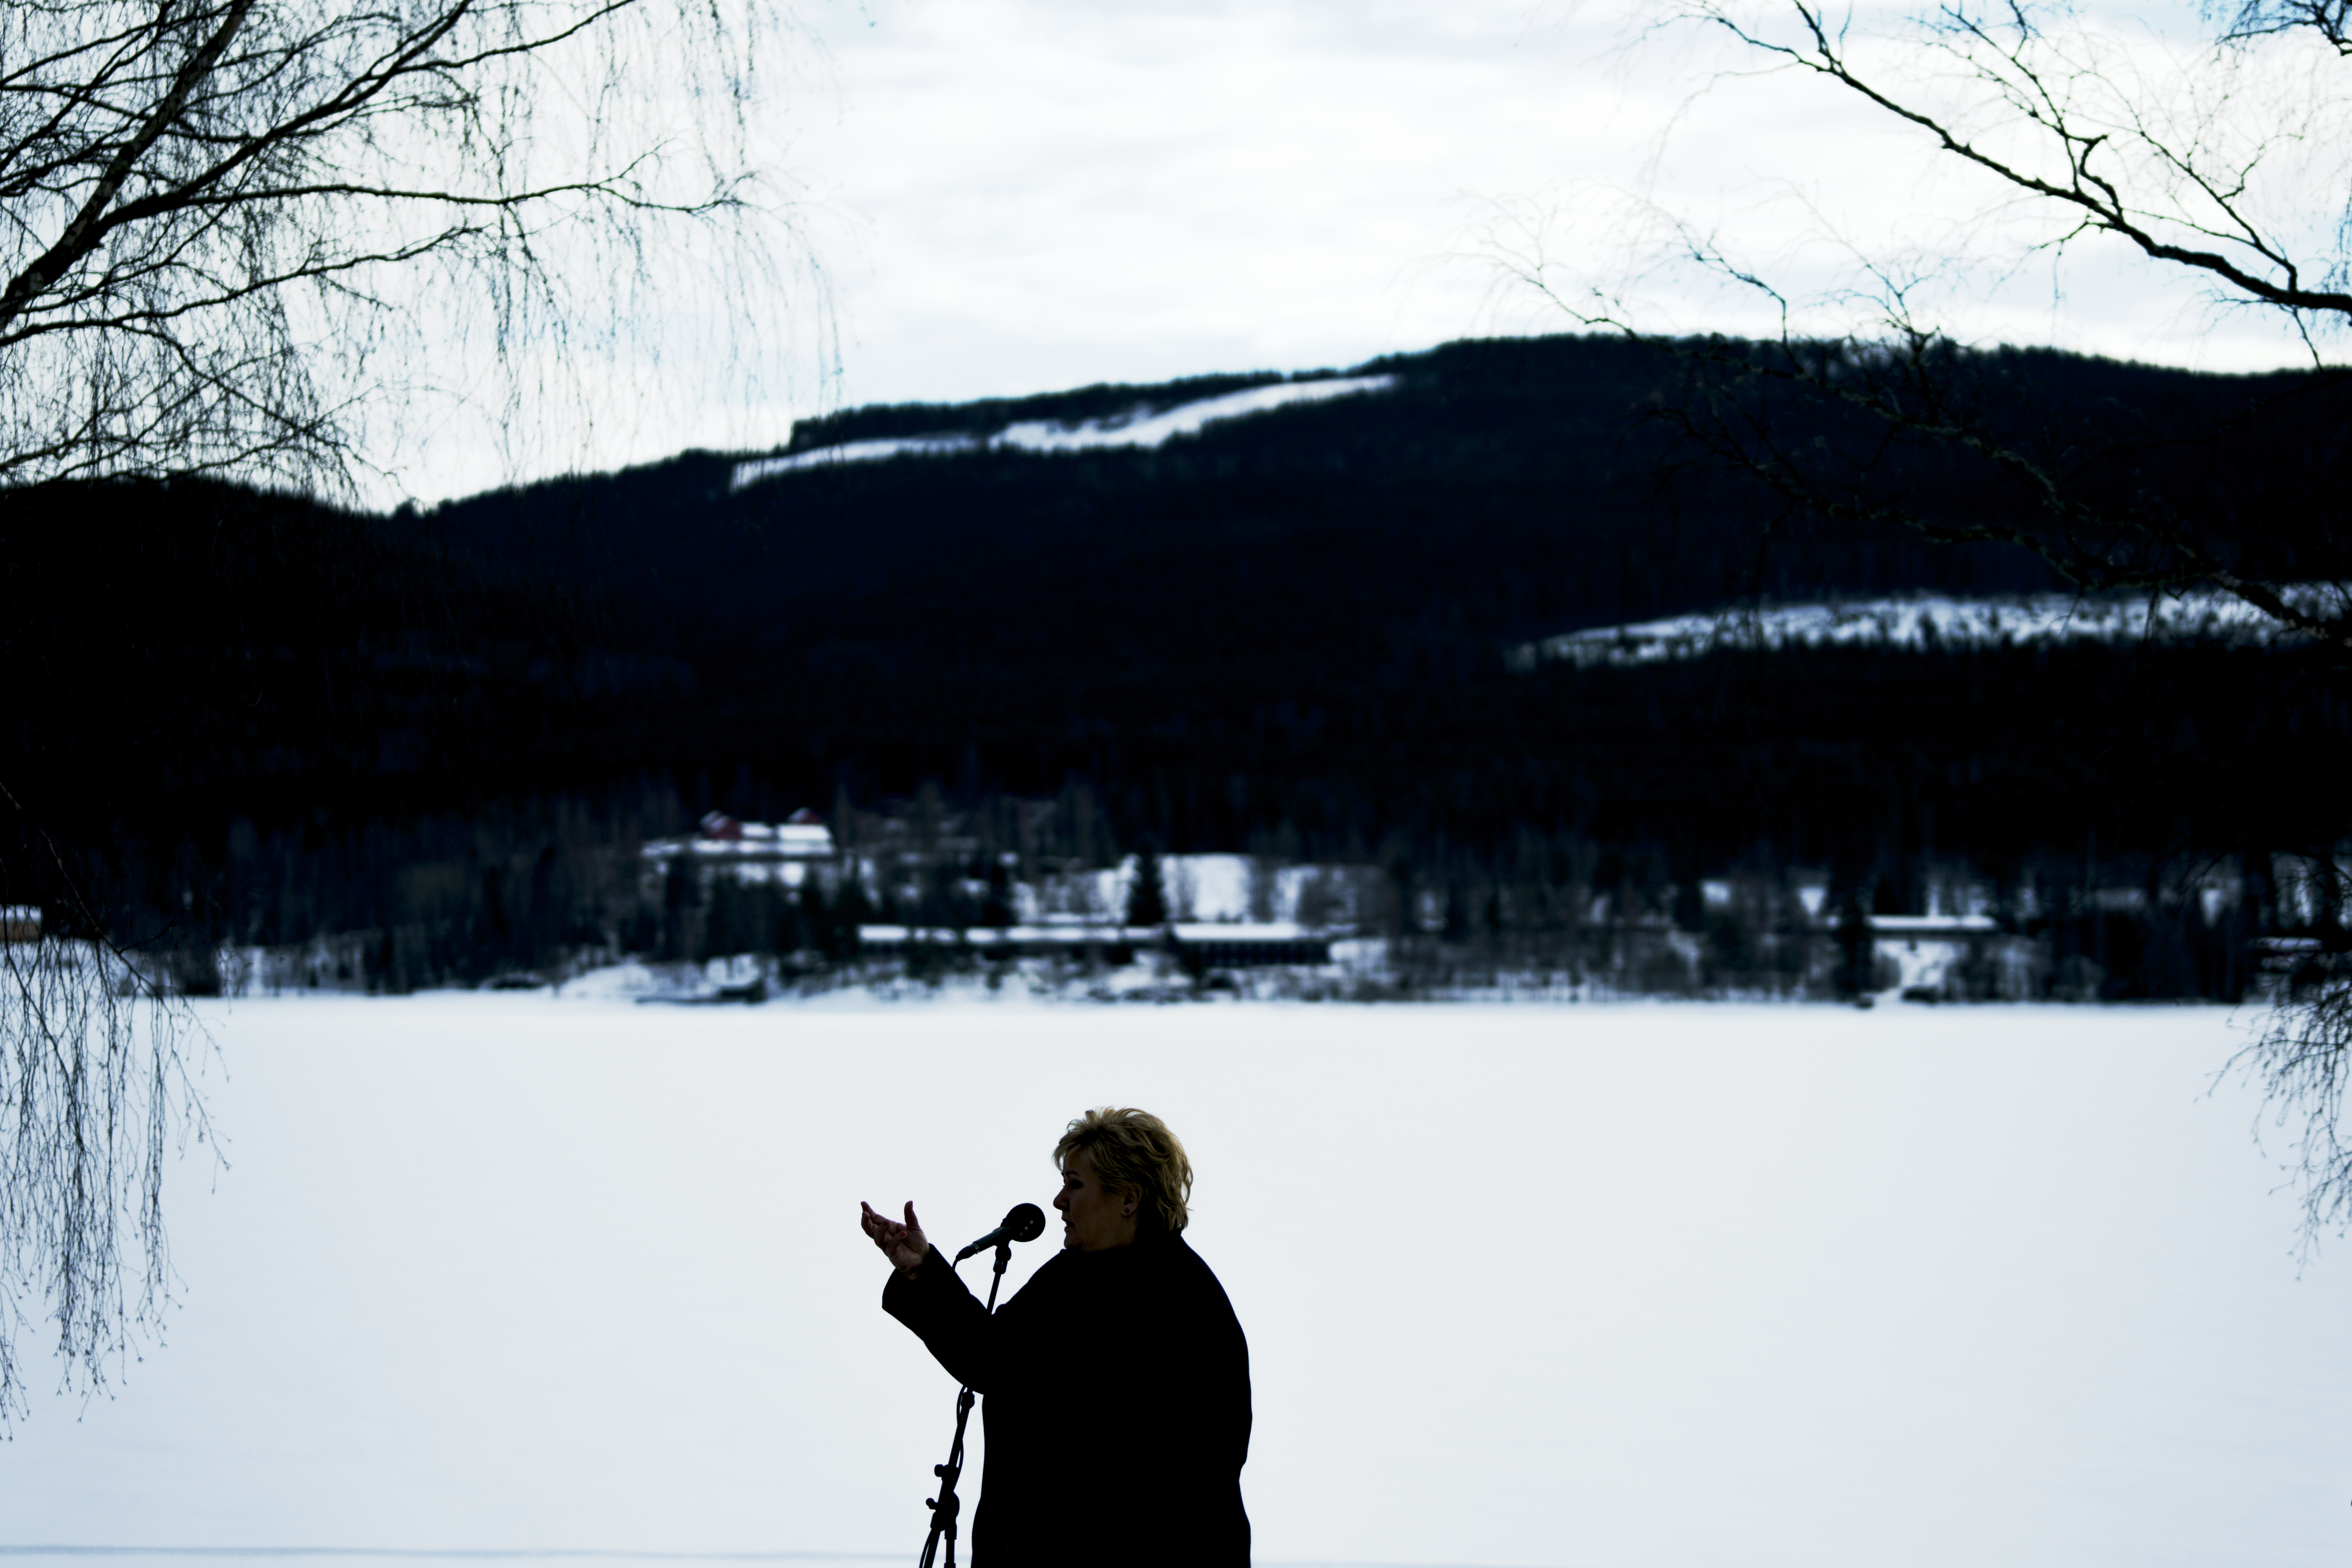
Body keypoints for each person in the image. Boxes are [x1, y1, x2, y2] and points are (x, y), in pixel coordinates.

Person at [859, 1107, 1252, 1566]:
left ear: (1128, 1198)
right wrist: (922, 1273)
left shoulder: (1187, 1302)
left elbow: (1189, 1469)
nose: (1058, 1201)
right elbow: (991, 1358)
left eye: (1075, 1185)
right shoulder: (1069, 1275)